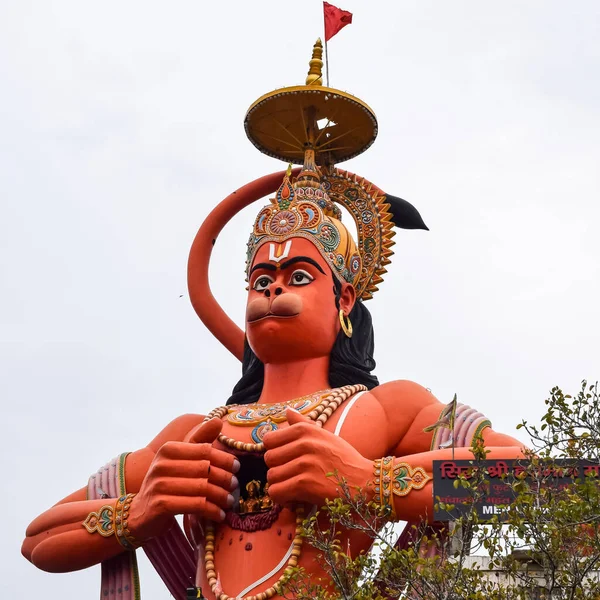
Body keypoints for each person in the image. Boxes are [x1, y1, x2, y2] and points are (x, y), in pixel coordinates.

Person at [22, 43, 525, 600]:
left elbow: (525, 477)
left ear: (345, 300)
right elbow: (38, 540)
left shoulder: (384, 412)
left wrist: (366, 481)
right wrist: (142, 510)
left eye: (299, 275)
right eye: (261, 280)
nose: (275, 287)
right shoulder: (198, 432)